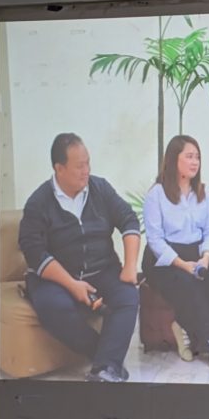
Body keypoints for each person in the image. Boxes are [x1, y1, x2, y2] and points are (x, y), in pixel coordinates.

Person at [18, 133, 141, 382]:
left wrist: (130, 266)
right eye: (79, 166)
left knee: (128, 296)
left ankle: (104, 369)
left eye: (88, 163)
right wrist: (73, 285)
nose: (86, 171)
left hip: (102, 269)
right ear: (59, 168)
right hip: (56, 278)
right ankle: (106, 359)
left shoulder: (100, 188)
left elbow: (128, 219)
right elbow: (33, 251)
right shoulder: (38, 202)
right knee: (54, 307)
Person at [142, 135, 209, 372]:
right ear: (173, 159)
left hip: (196, 251)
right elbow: (155, 240)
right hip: (164, 258)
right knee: (188, 282)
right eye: (189, 156)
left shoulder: (202, 192)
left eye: (197, 157)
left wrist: (206, 258)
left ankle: (183, 326)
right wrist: (183, 264)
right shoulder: (156, 194)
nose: (195, 162)